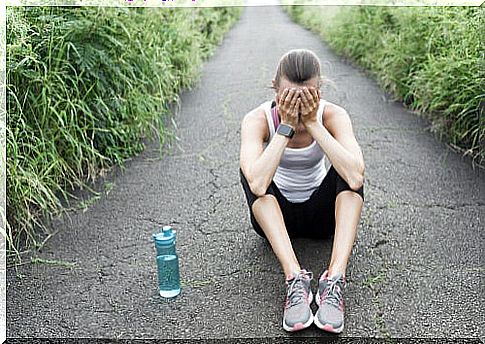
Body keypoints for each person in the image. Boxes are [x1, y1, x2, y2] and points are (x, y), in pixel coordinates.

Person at [239, 49, 365, 333]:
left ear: (318, 91)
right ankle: (295, 279)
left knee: (351, 171)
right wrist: (285, 126)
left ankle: (334, 280)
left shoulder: (333, 115)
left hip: (322, 218)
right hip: (275, 219)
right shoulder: (256, 119)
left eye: (305, 95)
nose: (296, 103)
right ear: (274, 88)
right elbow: (257, 185)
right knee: (252, 172)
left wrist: (312, 124)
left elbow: (356, 177)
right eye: (288, 96)